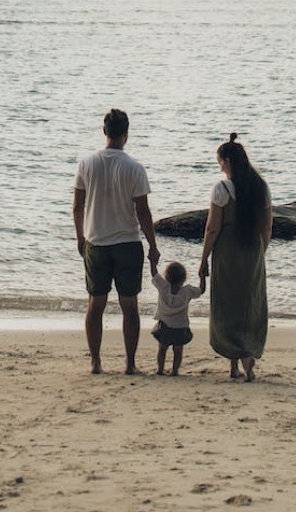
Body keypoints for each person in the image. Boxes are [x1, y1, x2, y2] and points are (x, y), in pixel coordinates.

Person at [73, 108, 160, 375]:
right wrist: (153, 245)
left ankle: (95, 361)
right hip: (127, 243)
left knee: (95, 304)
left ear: (104, 131)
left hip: (96, 242)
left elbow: (78, 205)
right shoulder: (134, 167)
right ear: (126, 134)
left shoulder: (86, 163)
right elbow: (143, 212)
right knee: (129, 305)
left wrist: (80, 237)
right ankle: (130, 363)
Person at [199, 133, 272, 380]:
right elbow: (267, 227)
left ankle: (233, 366)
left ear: (228, 161)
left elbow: (212, 227)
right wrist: (261, 250)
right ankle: (249, 358)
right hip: (253, 248)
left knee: (227, 304)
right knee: (250, 303)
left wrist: (203, 258)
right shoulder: (261, 187)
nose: (219, 166)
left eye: (220, 162)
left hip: (227, 250)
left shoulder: (222, 189)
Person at [149, 261, 206, 376]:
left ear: (167, 276)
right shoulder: (188, 291)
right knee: (178, 351)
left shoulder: (164, 287)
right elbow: (201, 290)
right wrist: (202, 276)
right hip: (181, 327)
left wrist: (152, 261)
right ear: (184, 278)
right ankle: (175, 370)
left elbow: (154, 274)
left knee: (162, 349)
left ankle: (160, 369)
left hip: (164, 326)